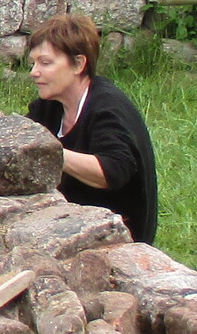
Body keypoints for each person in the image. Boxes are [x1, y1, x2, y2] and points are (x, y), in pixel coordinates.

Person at [24, 13, 158, 243]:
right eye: (33, 63)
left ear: (78, 64)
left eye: (45, 63)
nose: (34, 72)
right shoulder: (49, 107)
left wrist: (50, 153)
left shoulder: (106, 107)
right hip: (71, 222)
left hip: (118, 237)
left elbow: (113, 171)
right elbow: (22, 136)